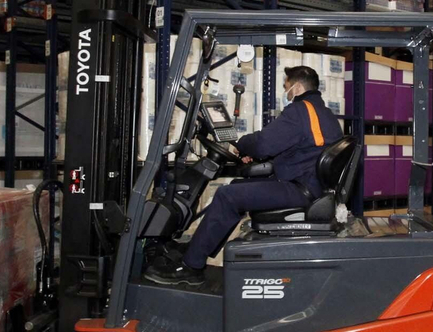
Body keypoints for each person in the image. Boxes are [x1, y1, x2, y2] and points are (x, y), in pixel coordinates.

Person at [147, 65, 343, 285]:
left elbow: (263, 143)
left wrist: (242, 145)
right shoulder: (323, 114)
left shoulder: (299, 111)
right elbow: (300, 149)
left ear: (296, 88)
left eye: (286, 87)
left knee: (227, 195)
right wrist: (260, 156)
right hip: (310, 185)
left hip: (301, 189)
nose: (285, 93)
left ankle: (191, 267)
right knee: (238, 184)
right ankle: (198, 247)